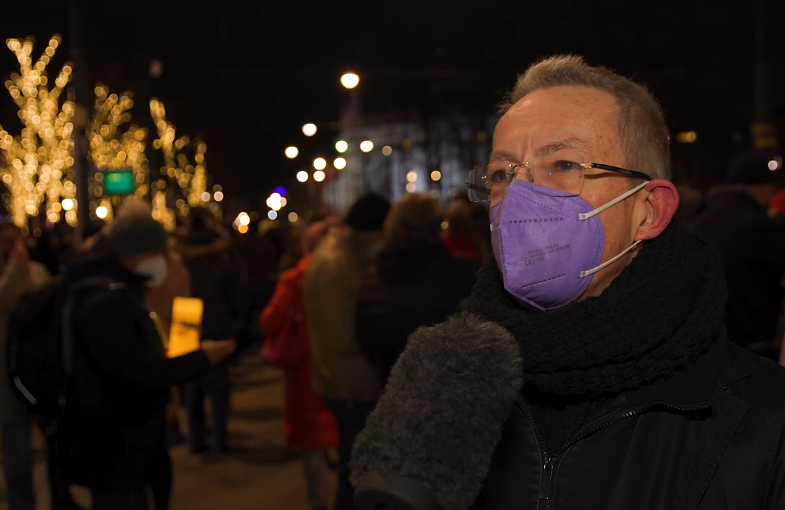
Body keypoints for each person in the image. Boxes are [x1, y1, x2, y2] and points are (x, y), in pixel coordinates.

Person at [452, 55, 785, 508]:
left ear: (648, 210)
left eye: (564, 164)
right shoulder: (450, 395)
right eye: (500, 173)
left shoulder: (765, 420)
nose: (519, 197)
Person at [57, 198, 237, 510]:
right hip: (115, 439)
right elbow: (136, 374)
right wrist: (199, 359)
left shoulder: (110, 288)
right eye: (158, 253)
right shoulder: (107, 300)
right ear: (134, 253)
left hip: (124, 432)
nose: (164, 260)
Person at [303, 193, 390, 510]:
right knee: (356, 476)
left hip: (348, 381)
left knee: (356, 472)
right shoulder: (335, 264)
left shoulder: (340, 256)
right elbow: (341, 336)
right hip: (351, 385)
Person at [356, 193, 479, 385]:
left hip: (395, 392)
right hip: (453, 390)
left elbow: (366, 341)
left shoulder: (370, 281)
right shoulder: (463, 274)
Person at [260, 219, 339, 510]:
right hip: (344, 370)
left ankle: (320, 502)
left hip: (305, 372)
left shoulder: (295, 279)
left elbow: (269, 322)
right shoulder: (349, 274)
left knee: (313, 449)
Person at [688, 151, 785, 360]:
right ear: (762, 187)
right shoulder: (759, 226)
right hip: (753, 345)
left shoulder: (700, 220)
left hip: (707, 343)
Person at [178, 207, 242, 454]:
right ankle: (220, 436)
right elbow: (234, 293)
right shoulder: (222, 258)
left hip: (187, 323)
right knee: (219, 386)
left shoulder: (180, 259)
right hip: (217, 323)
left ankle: (195, 439)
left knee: (193, 387)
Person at [0, 223, 50, 510]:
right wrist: (16, 271)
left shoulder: (36, 271)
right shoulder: (18, 272)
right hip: (8, 376)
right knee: (17, 447)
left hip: (38, 370)